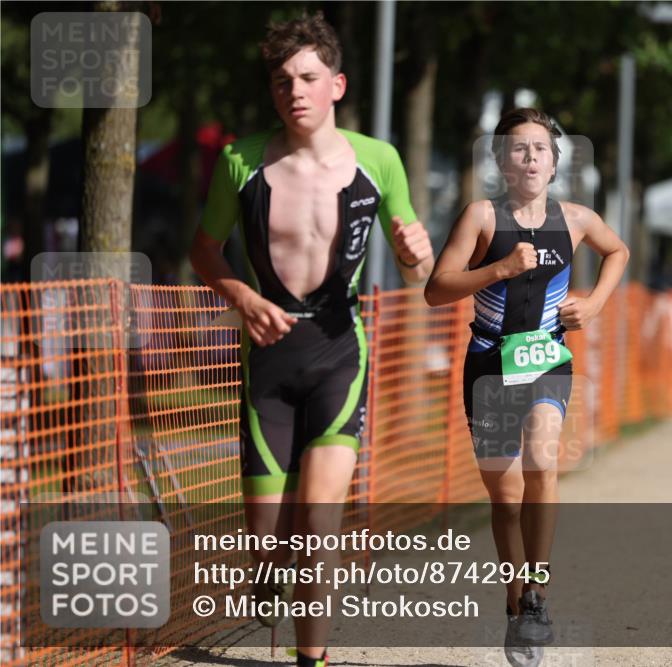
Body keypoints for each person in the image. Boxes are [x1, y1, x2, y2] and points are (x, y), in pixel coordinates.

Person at [188, 14, 432, 667]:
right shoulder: (240, 160)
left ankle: (311, 660)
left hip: (338, 353)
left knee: (318, 521)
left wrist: (417, 252)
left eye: (307, 77)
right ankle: (269, 572)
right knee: (269, 542)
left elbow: (418, 272)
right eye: (281, 81)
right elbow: (203, 250)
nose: (294, 91)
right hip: (268, 360)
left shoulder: (379, 160)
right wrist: (243, 298)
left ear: (337, 85)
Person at [424, 108, 629, 650]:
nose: (531, 158)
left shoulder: (577, 220)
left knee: (542, 460)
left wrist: (595, 303)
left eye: (541, 149)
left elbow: (618, 251)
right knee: (507, 496)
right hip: (489, 363)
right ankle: (516, 600)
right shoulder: (481, 217)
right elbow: (436, 289)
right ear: (502, 161)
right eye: (519, 148)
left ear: (555, 163)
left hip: (547, 359)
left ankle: (537, 591)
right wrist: (499, 270)